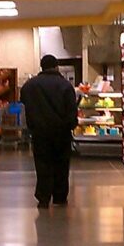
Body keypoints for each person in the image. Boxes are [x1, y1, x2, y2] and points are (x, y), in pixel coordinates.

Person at [20, 54, 79, 208]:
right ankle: (59, 197)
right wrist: (70, 125)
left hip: (40, 134)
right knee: (61, 165)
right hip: (61, 133)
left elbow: (24, 103)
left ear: (42, 66)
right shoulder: (66, 86)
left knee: (42, 165)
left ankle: (43, 197)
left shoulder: (29, 86)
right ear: (56, 66)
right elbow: (72, 112)